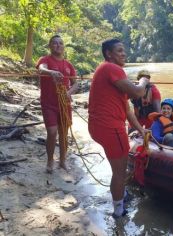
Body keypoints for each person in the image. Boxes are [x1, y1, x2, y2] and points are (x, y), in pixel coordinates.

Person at [88, 38, 149, 219]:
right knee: (120, 172)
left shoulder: (111, 73)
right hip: (110, 127)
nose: (124, 54)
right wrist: (144, 80)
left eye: (124, 50)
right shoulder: (111, 68)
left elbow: (127, 109)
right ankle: (118, 210)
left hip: (100, 127)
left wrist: (140, 129)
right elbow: (138, 92)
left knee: (118, 170)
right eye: (120, 50)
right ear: (109, 53)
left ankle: (119, 196)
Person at [36, 35, 78, 173]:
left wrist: (68, 93)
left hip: (64, 104)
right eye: (54, 43)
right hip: (49, 104)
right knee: (52, 132)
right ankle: (49, 161)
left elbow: (75, 84)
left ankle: (63, 160)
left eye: (60, 43)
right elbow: (41, 68)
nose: (58, 45)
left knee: (64, 133)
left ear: (63, 46)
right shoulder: (45, 60)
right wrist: (51, 72)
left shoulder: (68, 65)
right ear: (50, 46)